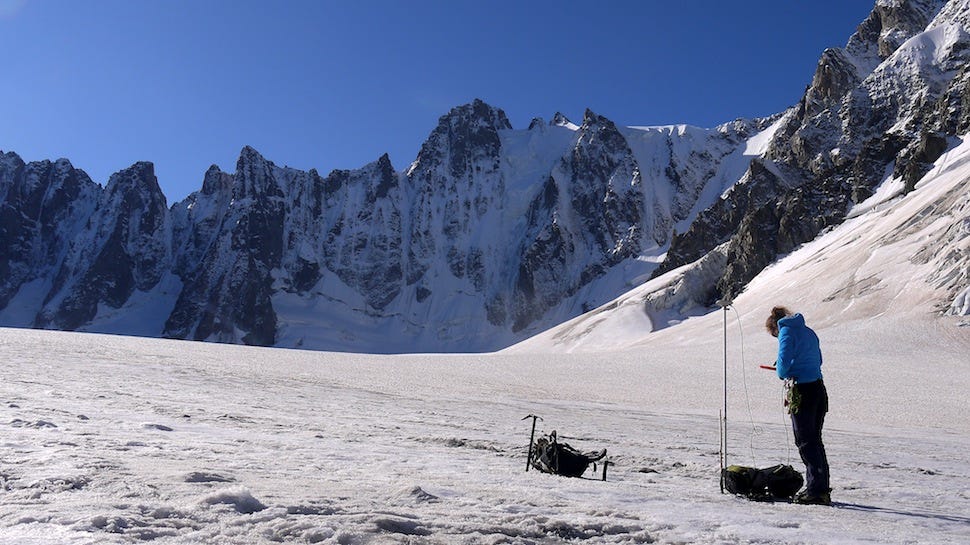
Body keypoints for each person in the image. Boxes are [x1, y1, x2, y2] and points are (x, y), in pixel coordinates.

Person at [765, 306, 831, 505]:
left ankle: (816, 492)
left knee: (805, 441)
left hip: (802, 392)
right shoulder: (808, 331)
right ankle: (820, 487)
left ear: (775, 328)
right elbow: (818, 360)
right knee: (815, 441)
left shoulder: (786, 332)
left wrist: (782, 370)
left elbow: (783, 368)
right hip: (819, 389)